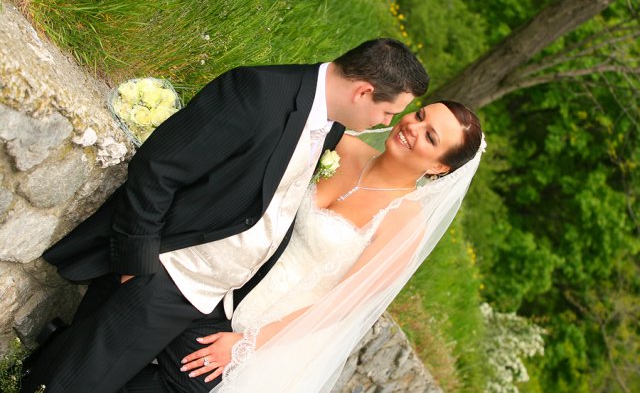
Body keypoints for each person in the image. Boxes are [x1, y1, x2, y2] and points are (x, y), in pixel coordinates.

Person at [20, 38, 429, 393]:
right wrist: (136, 264)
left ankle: (54, 353)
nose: (387, 123)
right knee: (75, 385)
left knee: (197, 383)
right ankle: (52, 365)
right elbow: (158, 167)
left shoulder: (331, 128)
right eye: (389, 112)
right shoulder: (258, 91)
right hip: (169, 272)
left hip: (217, 297)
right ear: (364, 92)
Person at [124, 101, 485, 392]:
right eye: (420, 116)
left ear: (439, 167)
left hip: (272, 334)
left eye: (430, 137)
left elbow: (342, 305)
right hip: (223, 281)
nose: (413, 128)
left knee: (174, 375)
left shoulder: (404, 224)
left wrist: (246, 344)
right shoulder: (343, 146)